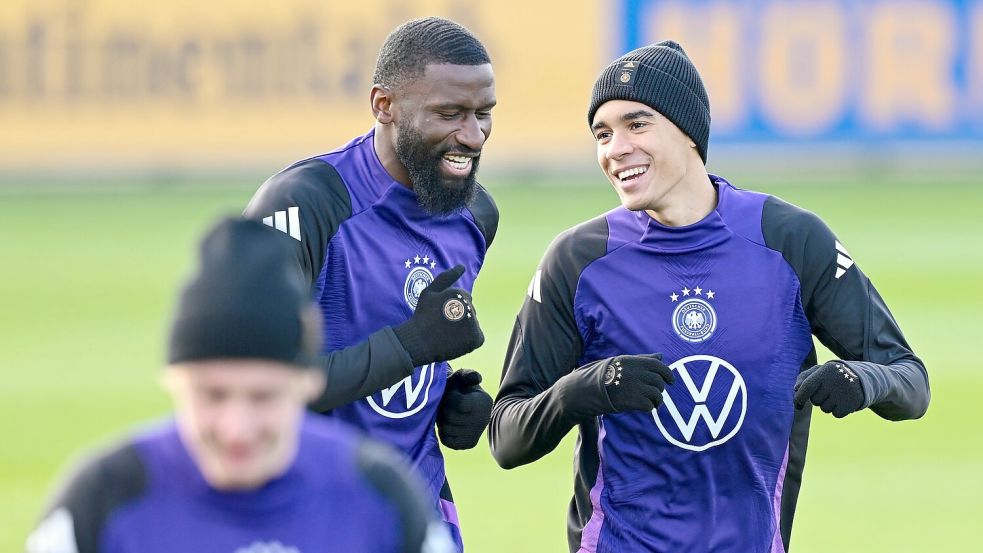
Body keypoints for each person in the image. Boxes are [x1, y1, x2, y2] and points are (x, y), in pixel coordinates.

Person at [489, 40, 930, 553]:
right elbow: (507, 435)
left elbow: (910, 382)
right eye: (602, 134)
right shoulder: (578, 260)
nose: (615, 149)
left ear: (689, 133)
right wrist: (583, 389)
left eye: (637, 125)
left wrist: (863, 380)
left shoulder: (789, 240)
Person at [26, 219, 454, 553]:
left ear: (306, 381)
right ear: (173, 382)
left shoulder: (379, 497)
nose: (237, 427)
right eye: (212, 395)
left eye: (263, 396)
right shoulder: (103, 501)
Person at [242, 17, 498, 548]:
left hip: (419, 512)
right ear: (384, 105)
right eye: (448, 114)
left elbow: (411, 353)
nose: (472, 136)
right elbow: (257, 387)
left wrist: (448, 402)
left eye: (483, 114)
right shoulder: (304, 204)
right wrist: (410, 346)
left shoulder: (475, 216)